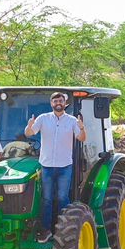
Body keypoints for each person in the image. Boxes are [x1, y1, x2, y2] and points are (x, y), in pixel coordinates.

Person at [27, 93, 85, 232]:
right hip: (46, 166)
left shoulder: (72, 121)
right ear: (51, 103)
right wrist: (29, 126)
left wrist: (82, 127)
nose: (58, 103)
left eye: (61, 100)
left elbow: (81, 138)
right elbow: (30, 133)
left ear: (65, 103)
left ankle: (64, 229)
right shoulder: (43, 118)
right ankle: (46, 230)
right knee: (46, 199)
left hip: (64, 166)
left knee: (62, 198)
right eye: (55, 100)